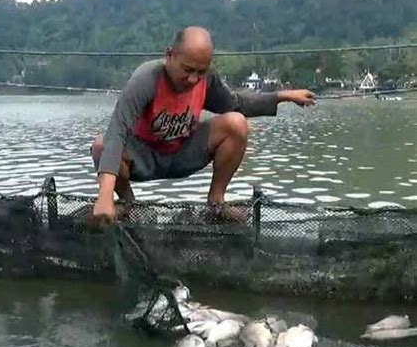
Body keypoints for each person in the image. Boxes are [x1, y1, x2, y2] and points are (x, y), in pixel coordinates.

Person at [91, 26, 316, 223]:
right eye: (187, 70)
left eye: (201, 71)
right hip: (144, 158)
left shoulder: (205, 79)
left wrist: (283, 96)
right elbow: (117, 131)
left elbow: (236, 104)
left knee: (236, 123)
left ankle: (216, 204)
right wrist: (104, 197)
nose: (193, 79)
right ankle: (128, 203)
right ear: (169, 55)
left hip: (183, 153)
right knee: (102, 145)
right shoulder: (146, 78)